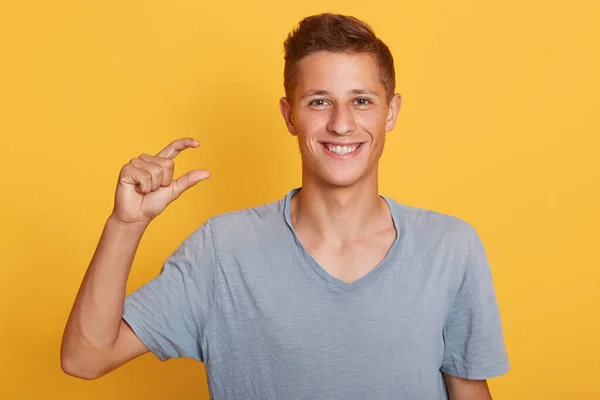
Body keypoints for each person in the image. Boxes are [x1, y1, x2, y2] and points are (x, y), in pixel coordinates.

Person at [61, 13, 509, 399]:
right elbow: (85, 357)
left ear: (390, 112)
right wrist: (126, 224)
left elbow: (470, 392)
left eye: (361, 101)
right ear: (290, 115)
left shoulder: (450, 247)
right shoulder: (223, 250)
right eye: (319, 102)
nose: (341, 124)